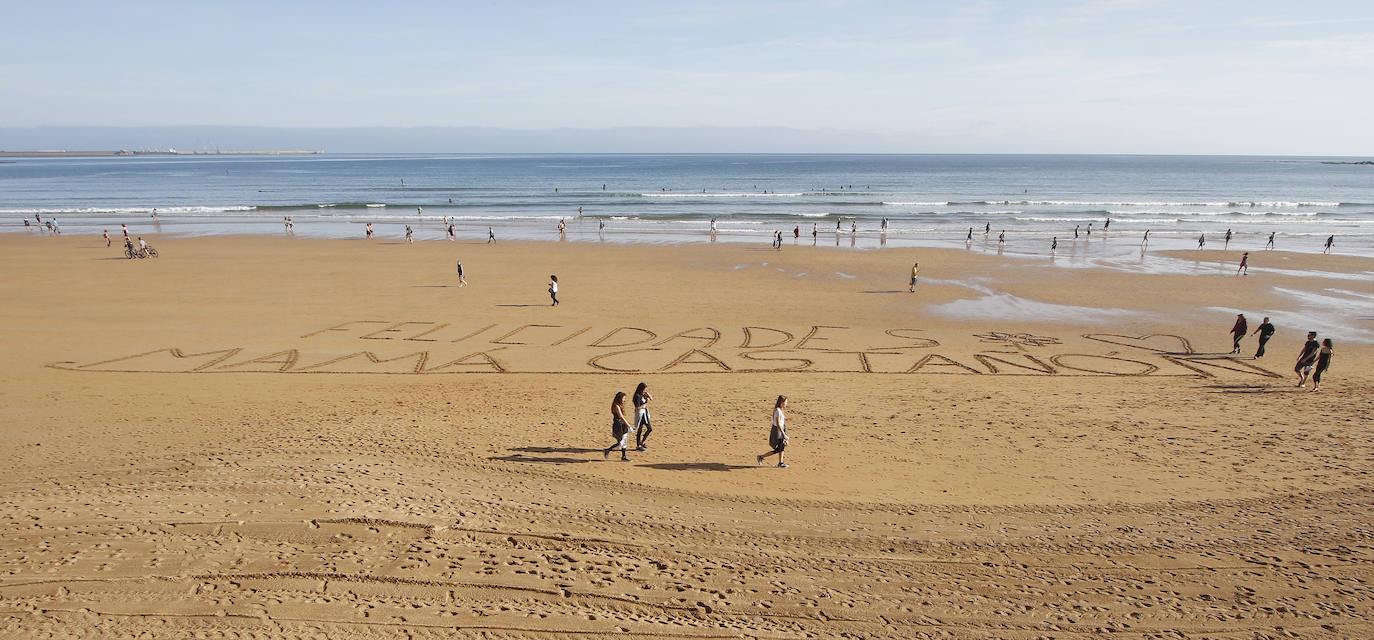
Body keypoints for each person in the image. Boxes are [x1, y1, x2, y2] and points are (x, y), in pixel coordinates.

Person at [756, 395, 789, 468]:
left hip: (781, 429)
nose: (786, 404)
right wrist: (783, 434)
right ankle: (761, 456)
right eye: (786, 402)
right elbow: (778, 424)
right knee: (778, 448)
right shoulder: (778, 411)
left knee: (782, 446)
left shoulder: (780, 410)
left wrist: (784, 432)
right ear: (782, 402)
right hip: (777, 430)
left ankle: (780, 463)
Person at [603, 392, 633, 461]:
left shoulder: (620, 405)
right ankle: (607, 450)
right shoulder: (616, 406)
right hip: (618, 425)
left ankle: (624, 456)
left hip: (622, 424)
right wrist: (628, 425)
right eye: (623, 398)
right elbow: (621, 416)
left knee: (624, 440)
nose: (624, 400)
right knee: (620, 442)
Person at [632, 382, 653, 451]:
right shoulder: (637, 396)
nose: (645, 391)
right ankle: (638, 445)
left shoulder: (642, 395)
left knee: (649, 429)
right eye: (644, 389)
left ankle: (642, 442)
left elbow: (651, 399)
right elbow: (638, 408)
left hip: (645, 414)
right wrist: (645, 403)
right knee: (640, 430)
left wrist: (647, 394)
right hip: (640, 414)